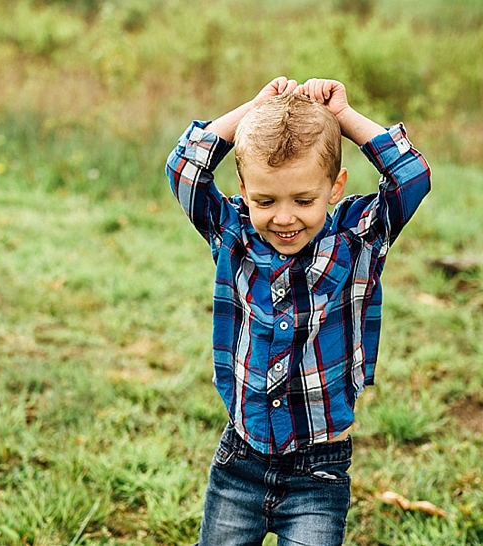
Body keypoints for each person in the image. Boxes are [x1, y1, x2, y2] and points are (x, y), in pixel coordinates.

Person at [165, 76, 431, 546]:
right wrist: (253, 111)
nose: (284, 218)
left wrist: (342, 119)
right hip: (239, 462)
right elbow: (185, 168)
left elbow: (411, 176)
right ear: (244, 189)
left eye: (303, 200)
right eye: (265, 200)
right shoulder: (234, 233)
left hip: (319, 475)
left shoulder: (356, 237)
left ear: (335, 187)